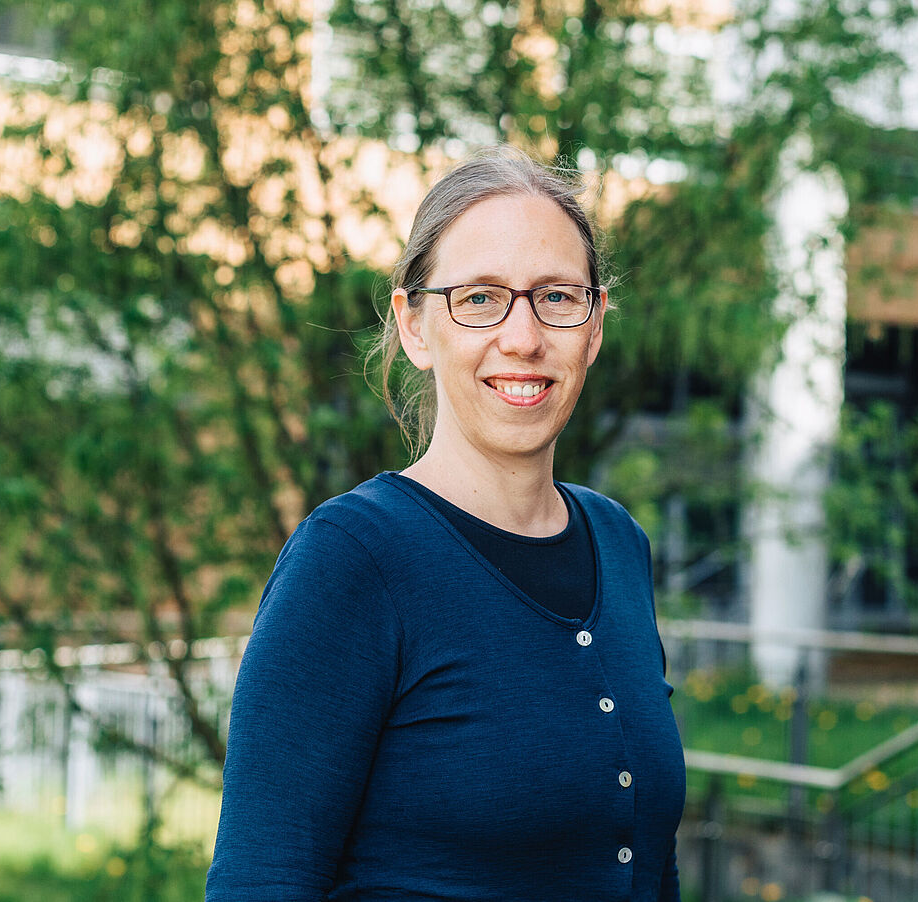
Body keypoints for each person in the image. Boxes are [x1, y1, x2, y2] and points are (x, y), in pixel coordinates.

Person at [205, 146, 686, 901]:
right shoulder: (353, 559)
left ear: (593, 327)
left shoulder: (619, 543)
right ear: (416, 326)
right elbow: (262, 881)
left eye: (557, 297)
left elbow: (652, 869)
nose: (523, 337)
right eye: (480, 298)